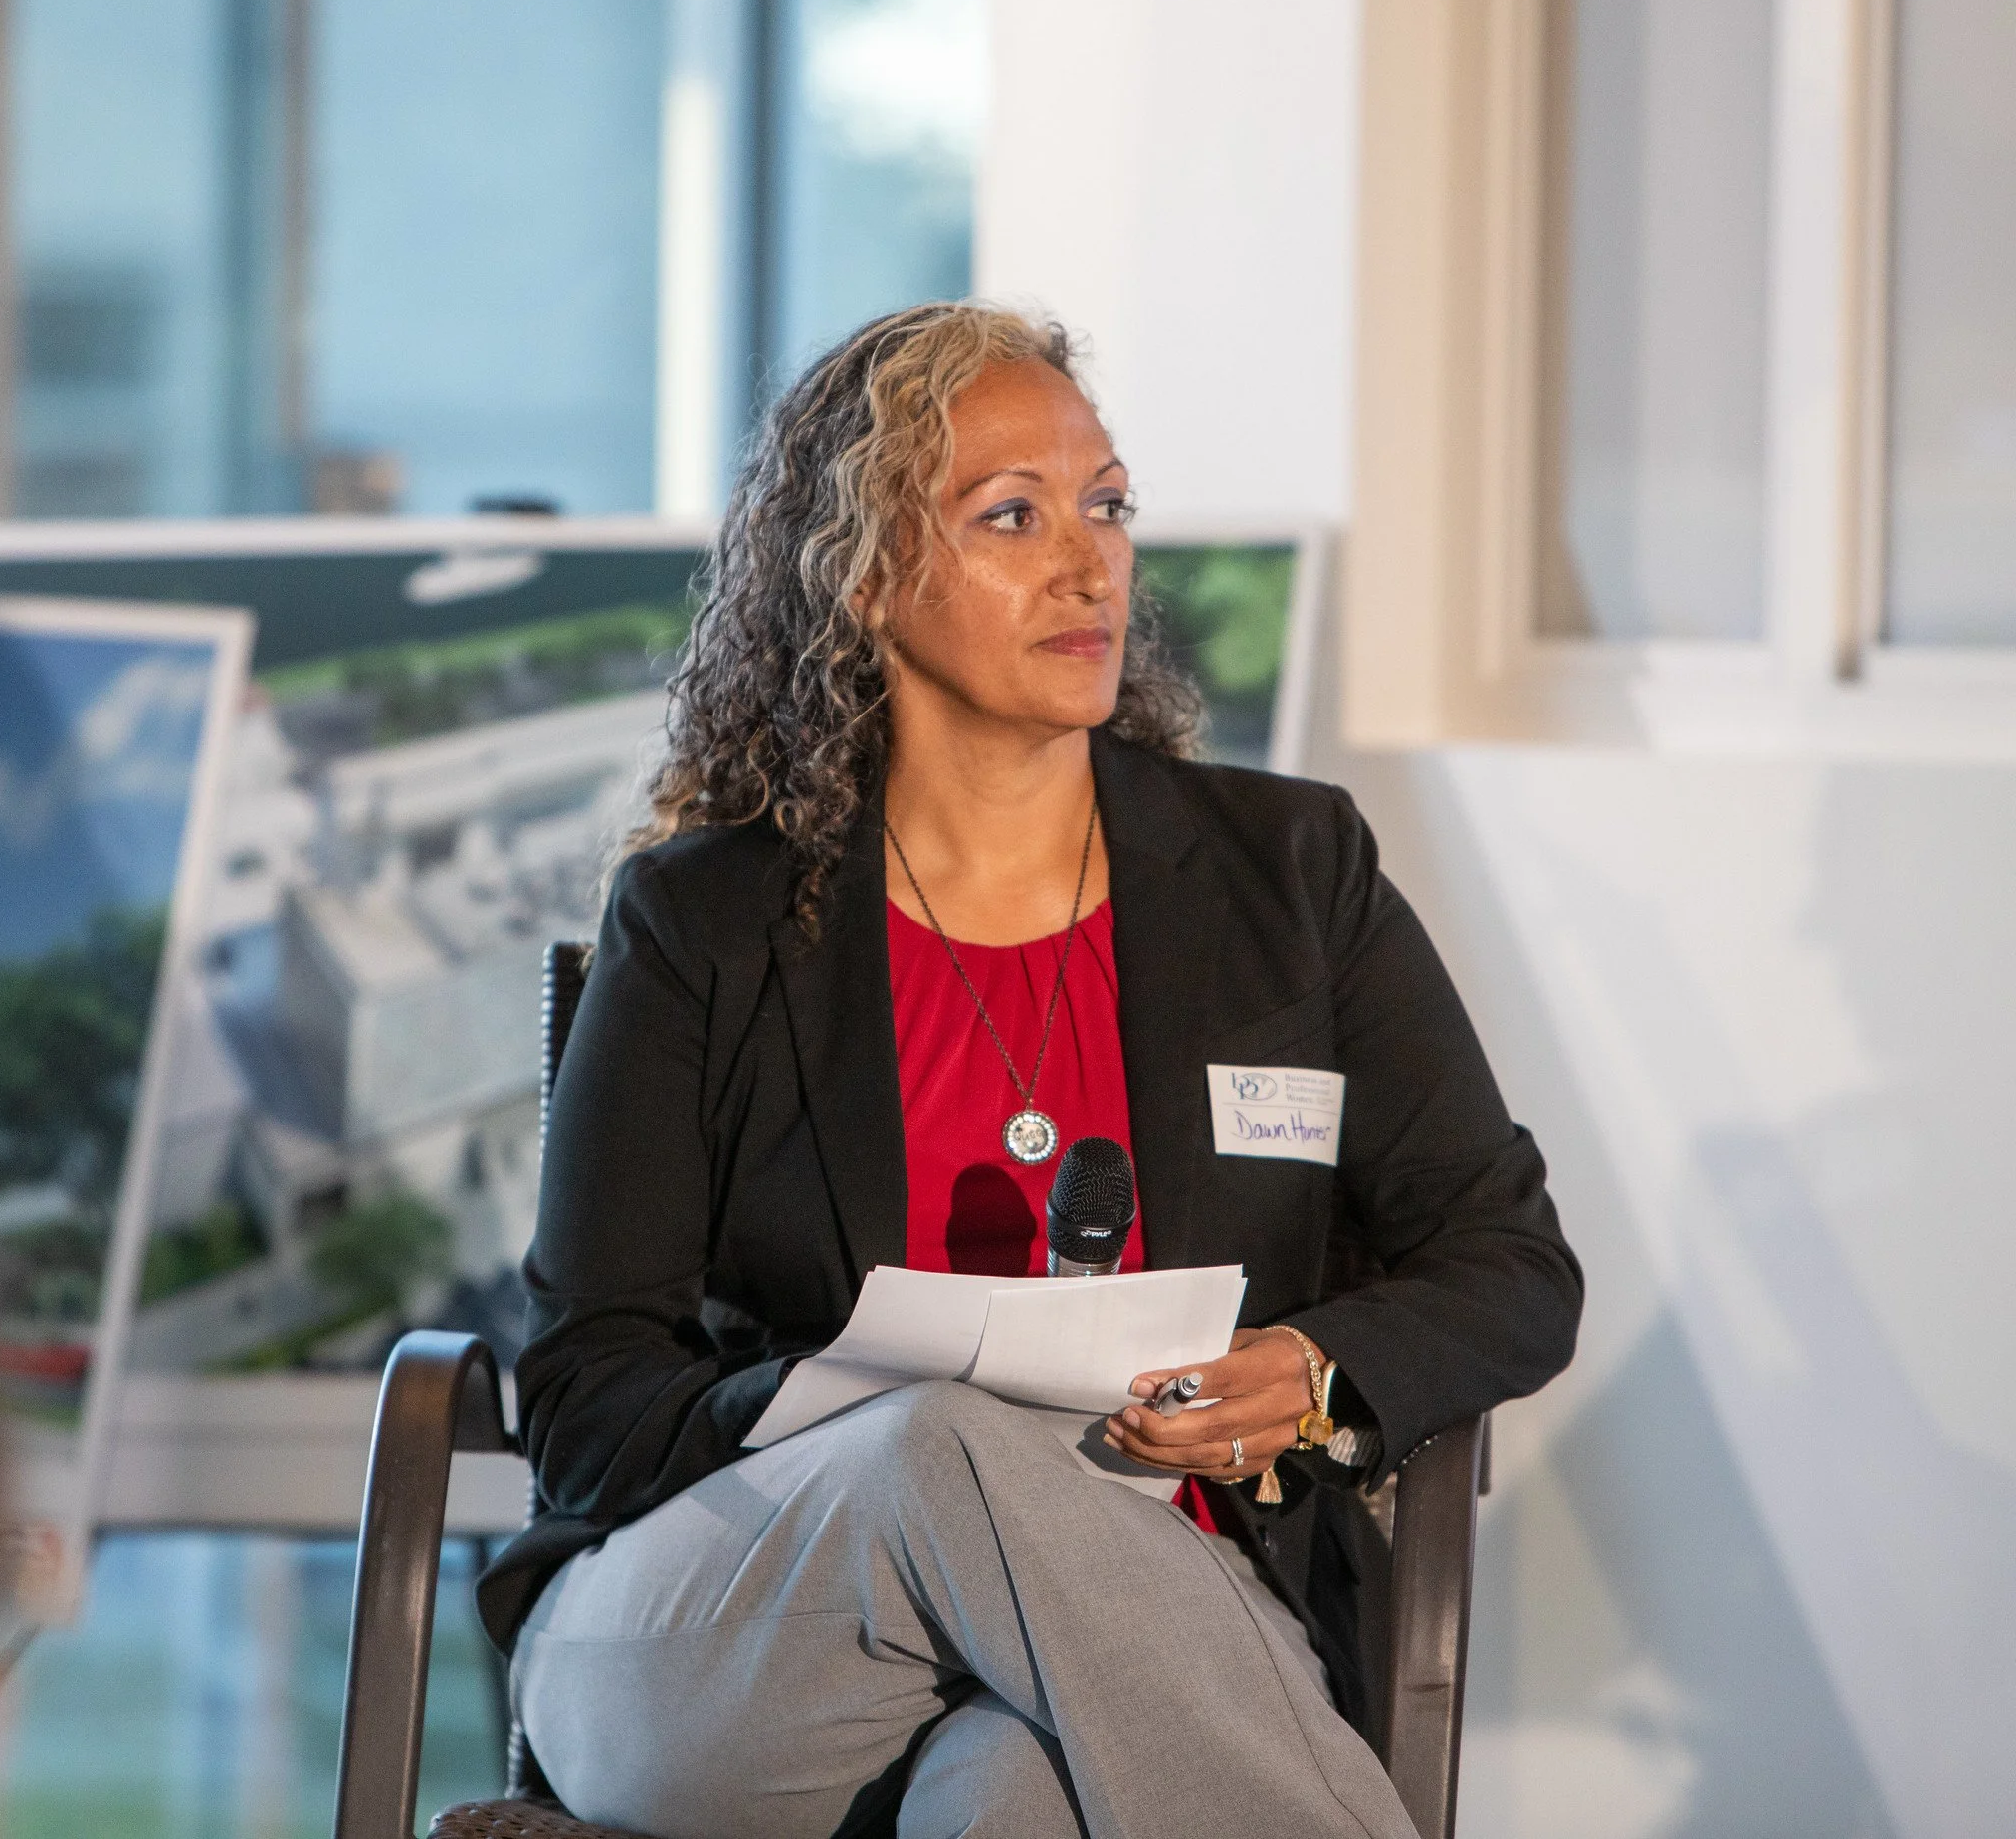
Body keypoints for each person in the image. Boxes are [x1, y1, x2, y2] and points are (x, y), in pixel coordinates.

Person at [477, 303, 1582, 1839]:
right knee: (946, 1442)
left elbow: (1511, 1266)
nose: (1089, 564)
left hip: (1143, 1627)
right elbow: (588, 1401)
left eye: (1107, 506)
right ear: (862, 578)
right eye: (1012, 516)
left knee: (1016, 1798)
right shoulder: (706, 920)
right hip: (729, 1645)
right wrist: (844, 1418)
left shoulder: (1292, 876)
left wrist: (1314, 1372)